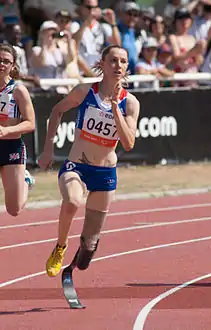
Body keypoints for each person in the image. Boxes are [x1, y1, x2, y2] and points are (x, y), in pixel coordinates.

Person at [38, 44, 140, 277]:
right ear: (102, 64)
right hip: (78, 166)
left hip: (105, 174)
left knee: (88, 247)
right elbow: (56, 111)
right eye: (113, 60)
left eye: (123, 62)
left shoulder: (130, 103)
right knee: (73, 201)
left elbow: (128, 143)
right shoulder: (84, 91)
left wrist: (115, 110)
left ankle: (84, 251)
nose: (118, 65)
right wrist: (48, 149)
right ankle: (60, 247)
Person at [0, 43, 35, 216]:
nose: (2, 64)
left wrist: (7, 131)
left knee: (14, 209)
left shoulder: (18, 91)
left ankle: (26, 180)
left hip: (11, 147)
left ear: (13, 66)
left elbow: (30, 123)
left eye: (6, 61)